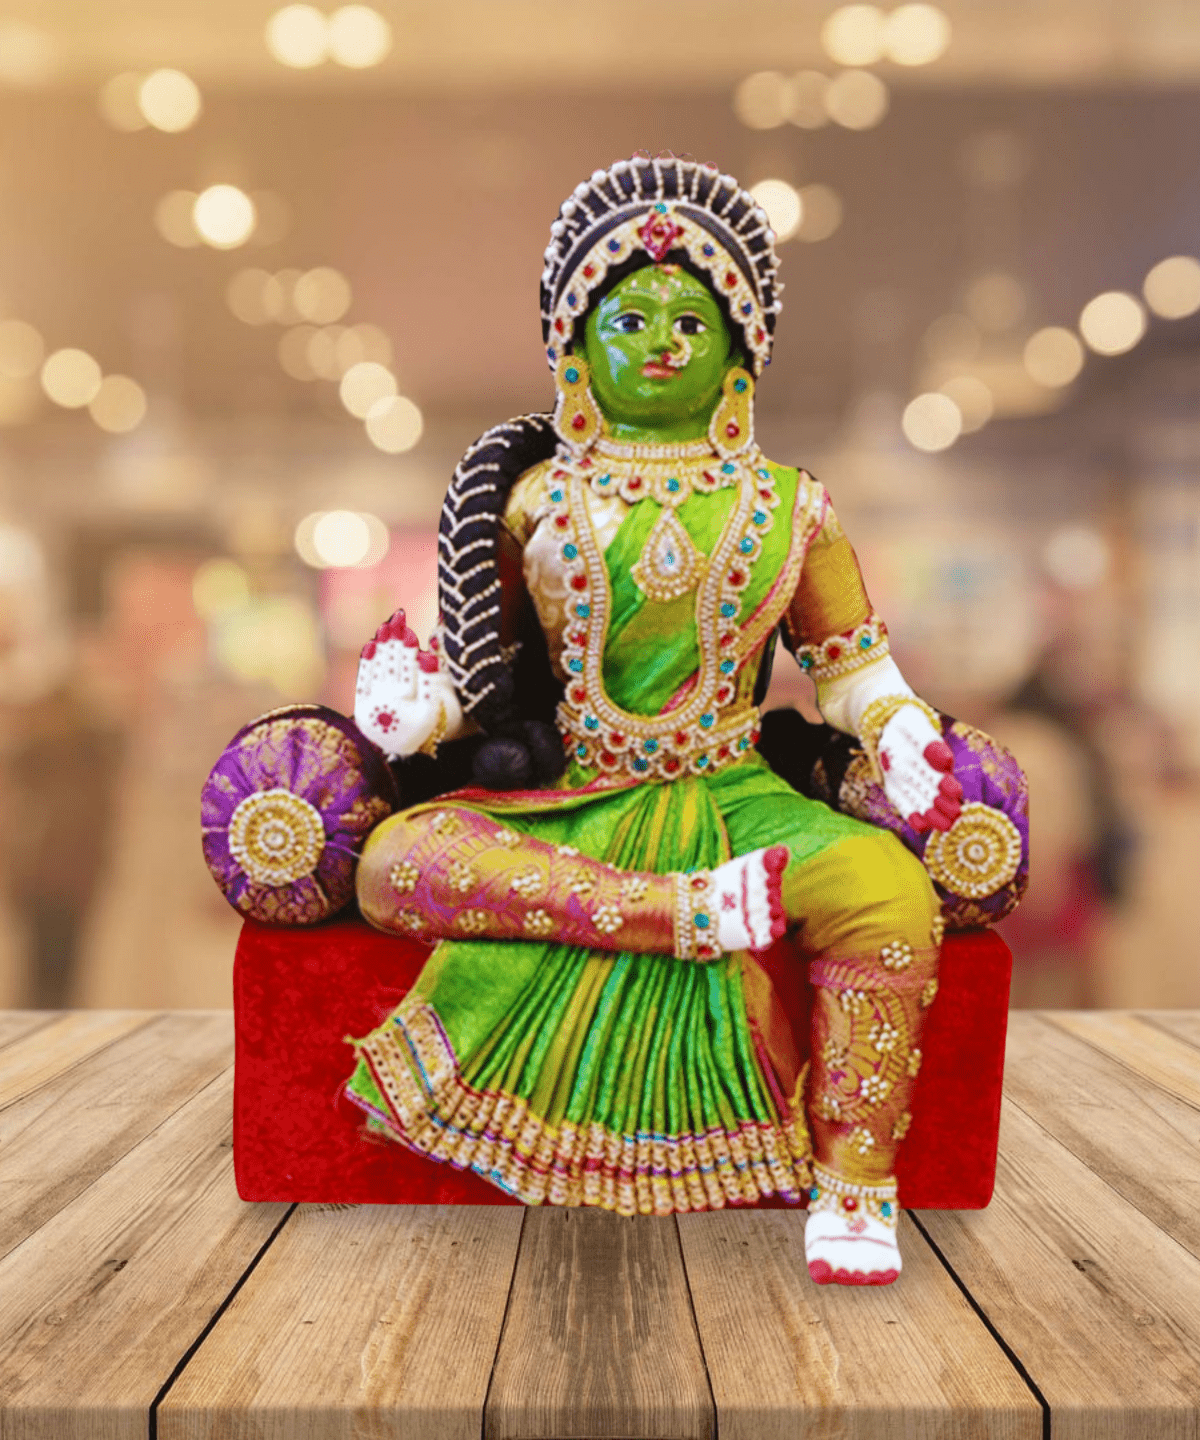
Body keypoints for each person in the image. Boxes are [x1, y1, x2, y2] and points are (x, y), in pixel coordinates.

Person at [344, 155, 964, 1287]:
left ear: (743, 352)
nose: (663, 340)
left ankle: (856, 1186)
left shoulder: (794, 509)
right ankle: (670, 911)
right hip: (573, 795)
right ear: (574, 351)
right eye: (628, 316)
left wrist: (901, 731)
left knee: (888, 893)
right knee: (391, 861)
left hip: (740, 800)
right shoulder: (532, 498)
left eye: (693, 318)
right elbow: (489, 671)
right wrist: (411, 707)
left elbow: (852, 665)